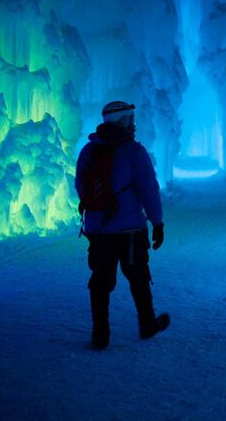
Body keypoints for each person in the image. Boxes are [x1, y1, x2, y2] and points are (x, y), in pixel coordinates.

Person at [75, 101, 169, 350]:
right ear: (122, 121)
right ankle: (147, 325)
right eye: (129, 119)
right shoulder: (134, 151)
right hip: (130, 231)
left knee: (101, 281)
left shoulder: (88, 151)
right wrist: (157, 222)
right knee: (138, 276)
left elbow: (80, 188)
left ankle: (100, 335)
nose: (133, 124)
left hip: (98, 230)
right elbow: (149, 189)